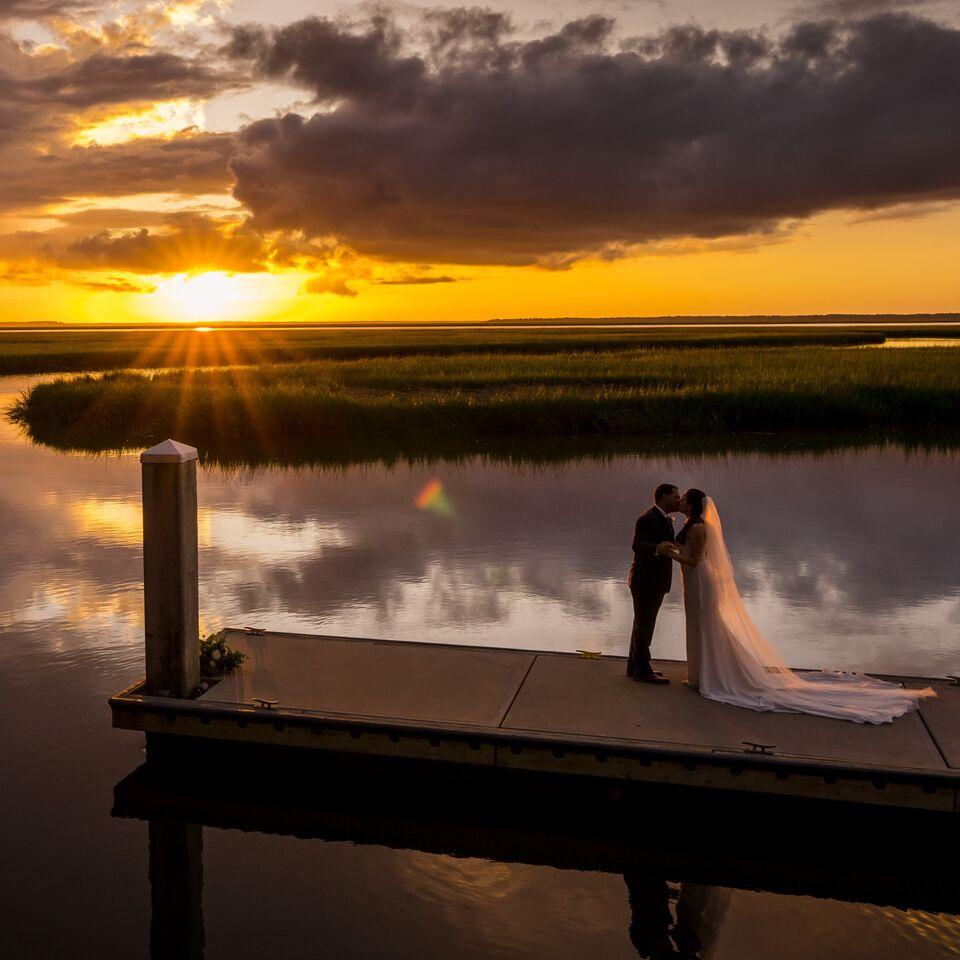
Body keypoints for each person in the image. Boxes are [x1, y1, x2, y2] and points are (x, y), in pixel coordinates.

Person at [668, 489, 936, 722]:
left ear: (691, 505)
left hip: (701, 584)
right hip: (694, 585)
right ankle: (701, 674)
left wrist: (668, 553)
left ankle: (713, 676)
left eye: (683, 499)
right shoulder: (690, 525)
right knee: (699, 626)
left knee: (707, 627)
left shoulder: (700, 528)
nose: (679, 502)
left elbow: (696, 561)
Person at [626, 483, 682, 684]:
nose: (678, 499)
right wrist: (657, 548)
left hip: (656, 581)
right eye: (675, 496)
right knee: (645, 625)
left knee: (641, 624)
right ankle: (643, 670)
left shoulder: (665, 519)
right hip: (645, 581)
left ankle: (634, 666)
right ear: (663, 496)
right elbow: (637, 546)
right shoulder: (647, 518)